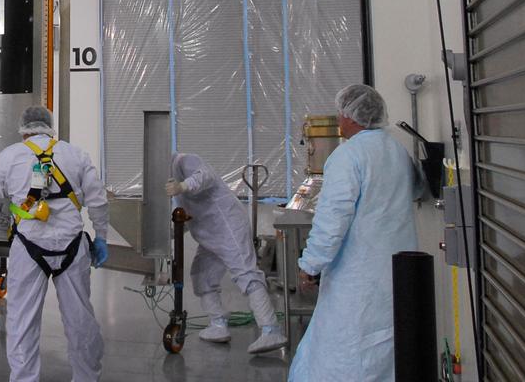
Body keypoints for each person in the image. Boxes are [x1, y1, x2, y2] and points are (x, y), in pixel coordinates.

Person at [0, 105, 110, 382]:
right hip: (72, 246)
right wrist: (101, 237)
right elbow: (98, 200)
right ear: (50, 127)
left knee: (22, 321)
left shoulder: (8, 157)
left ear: (23, 130)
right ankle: (86, 377)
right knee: (80, 319)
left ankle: (24, 379)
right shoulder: (76, 154)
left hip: (28, 247)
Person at [288, 85, 420, 382]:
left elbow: (332, 220)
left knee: (346, 352)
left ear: (351, 116)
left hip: (357, 278)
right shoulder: (396, 150)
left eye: (340, 114)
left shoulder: (348, 156)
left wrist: (310, 265)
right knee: (385, 348)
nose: (339, 120)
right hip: (395, 274)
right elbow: (414, 191)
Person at [165, 153, 287, 354]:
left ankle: (271, 329)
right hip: (209, 234)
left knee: (245, 273)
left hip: (228, 226)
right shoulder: (171, 181)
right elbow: (188, 213)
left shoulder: (183, 161)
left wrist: (183, 186)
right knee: (202, 275)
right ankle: (218, 324)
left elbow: (206, 176)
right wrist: (168, 233)